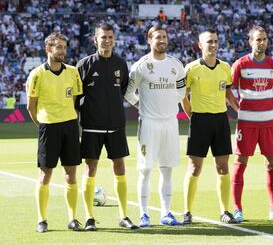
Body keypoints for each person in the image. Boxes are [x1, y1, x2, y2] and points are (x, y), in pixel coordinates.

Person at [76, 23, 138, 231]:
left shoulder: (121, 64)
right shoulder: (84, 64)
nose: (107, 40)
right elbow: (76, 97)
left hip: (116, 126)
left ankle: (123, 215)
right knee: (90, 168)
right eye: (103, 37)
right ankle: (89, 217)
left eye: (110, 37)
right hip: (92, 127)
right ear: (95, 39)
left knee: (119, 167)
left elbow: (124, 92)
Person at [124, 25, 186, 227]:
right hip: (148, 124)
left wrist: (168, 105)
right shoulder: (141, 66)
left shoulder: (176, 65)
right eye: (157, 37)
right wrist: (142, 106)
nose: (162, 40)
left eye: (164, 37)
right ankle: (144, 214)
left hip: (170, 124)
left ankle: (166, 213)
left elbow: (181, 92)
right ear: (149, 41)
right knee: (145, 170)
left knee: (167, 170)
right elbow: (128, 93)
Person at [26, 32, 83, 233]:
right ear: (48, 49)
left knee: (71, 174)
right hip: (48, 127)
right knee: (45, 175)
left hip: (69, 126)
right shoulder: (36, 74)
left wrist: (66, 117)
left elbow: (74, 101)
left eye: (64, 47)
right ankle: (42, 220)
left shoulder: (73, 72)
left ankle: (73, 218)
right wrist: (42, 125)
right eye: (58, 47)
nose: (62, 51)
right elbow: (31, 107)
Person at [181, 29, 239, 224]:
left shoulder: (225, 68)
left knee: (222, 166)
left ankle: (225, 211)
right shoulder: (190, 68)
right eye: (209, 42)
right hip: (199, 121)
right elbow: (183, 96)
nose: (213, 45)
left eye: (215, 41)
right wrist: (192, 116)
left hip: (221, 120)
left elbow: (228, 94)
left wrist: (240, 111)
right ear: (200, 45)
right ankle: (187, 212)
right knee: (195, 166)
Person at [231, 26, 273, 222]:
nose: (261, 42)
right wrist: (239, 109)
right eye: (257, 39)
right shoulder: (240, 64)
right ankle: (237, 209)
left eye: (264, 39)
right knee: (240, 162)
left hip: (269, 123)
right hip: (246, 123)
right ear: (250, 41)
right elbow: (228, 90)